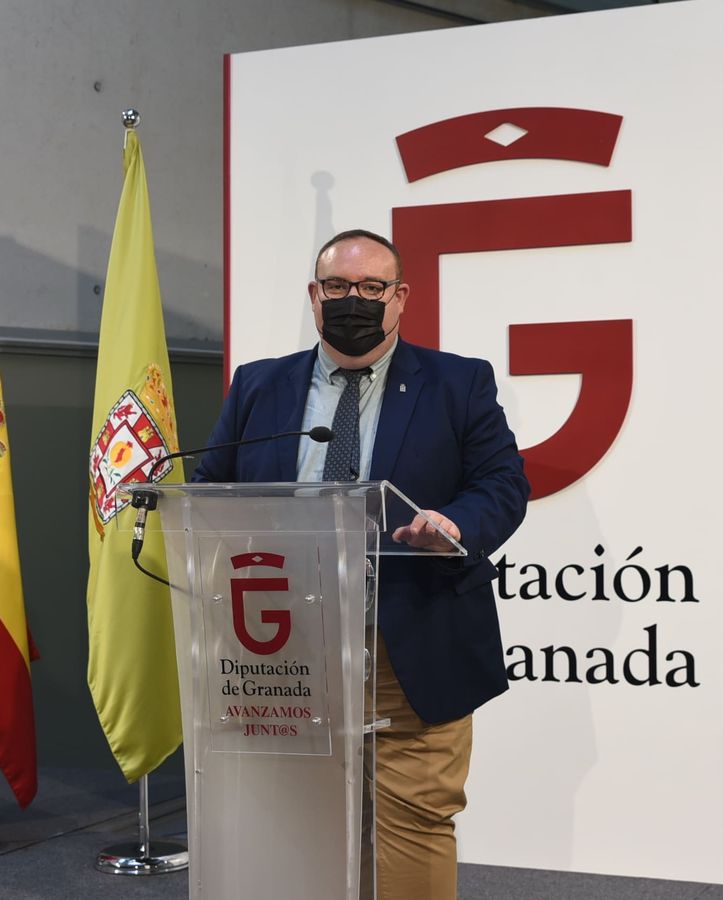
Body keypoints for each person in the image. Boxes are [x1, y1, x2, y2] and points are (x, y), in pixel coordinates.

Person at [193, 229, 530, 900]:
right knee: (292, 822)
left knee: (412, 822)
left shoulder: (458, 383)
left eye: (372, 288)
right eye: (339, 288)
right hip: (280, 651)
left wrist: (455, 525)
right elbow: (210, 489)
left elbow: (502, 485)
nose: (355, 301)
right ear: (314, 296)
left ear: (400, 298)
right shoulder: (260, 385)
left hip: (407, 639)